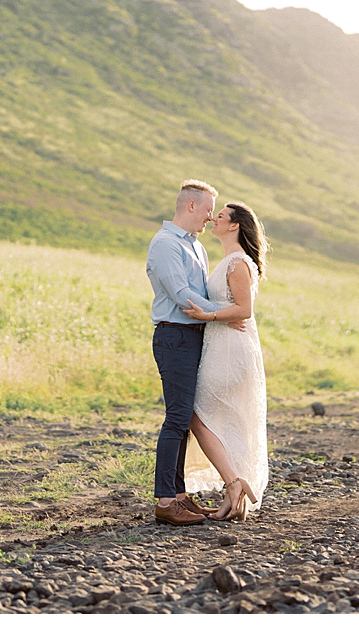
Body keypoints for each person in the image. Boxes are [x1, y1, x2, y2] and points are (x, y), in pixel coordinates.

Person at [180, 202, 271, 521]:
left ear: (234, 226)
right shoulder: (229, 260)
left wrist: (211, 315)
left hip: (231, 349)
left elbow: (244, 309)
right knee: (219, 418)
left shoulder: (237, 263)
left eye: (220, 216)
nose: (212, 218)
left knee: (198, 415)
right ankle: (234, 488)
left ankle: (234, 483)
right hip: (220, 345)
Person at [144, 180, 223, 526]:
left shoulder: (196, 247)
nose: (210, 217)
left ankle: (178, 495)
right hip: (174, 336)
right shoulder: (164, 244)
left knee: (185, 419)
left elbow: (199, 292)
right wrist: (226, 313)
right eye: (208, 209)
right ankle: (164, 501)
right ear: (191, 206)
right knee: (176, 419)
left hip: (194, 337)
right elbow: (181, 295)